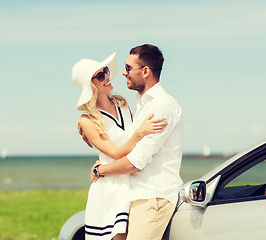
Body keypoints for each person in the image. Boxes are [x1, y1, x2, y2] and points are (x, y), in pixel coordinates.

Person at [90, 44, 184, 240]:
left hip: (153, 198)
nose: (123, 73)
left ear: (146, 71)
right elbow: (126, 147)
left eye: (128, 68)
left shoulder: (162, 105)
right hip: (135, 197)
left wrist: (101, 171)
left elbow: (135, 161)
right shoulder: (141, 103)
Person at [72, 52, 167, 240]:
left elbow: (131, 146)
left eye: (105, 71)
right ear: (90, 85)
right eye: (100, 76)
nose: (107, 77)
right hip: (110, 189)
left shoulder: (122, 103)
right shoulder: (87, 120)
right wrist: (140, 132)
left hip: (132, 182)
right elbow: (115, 153)